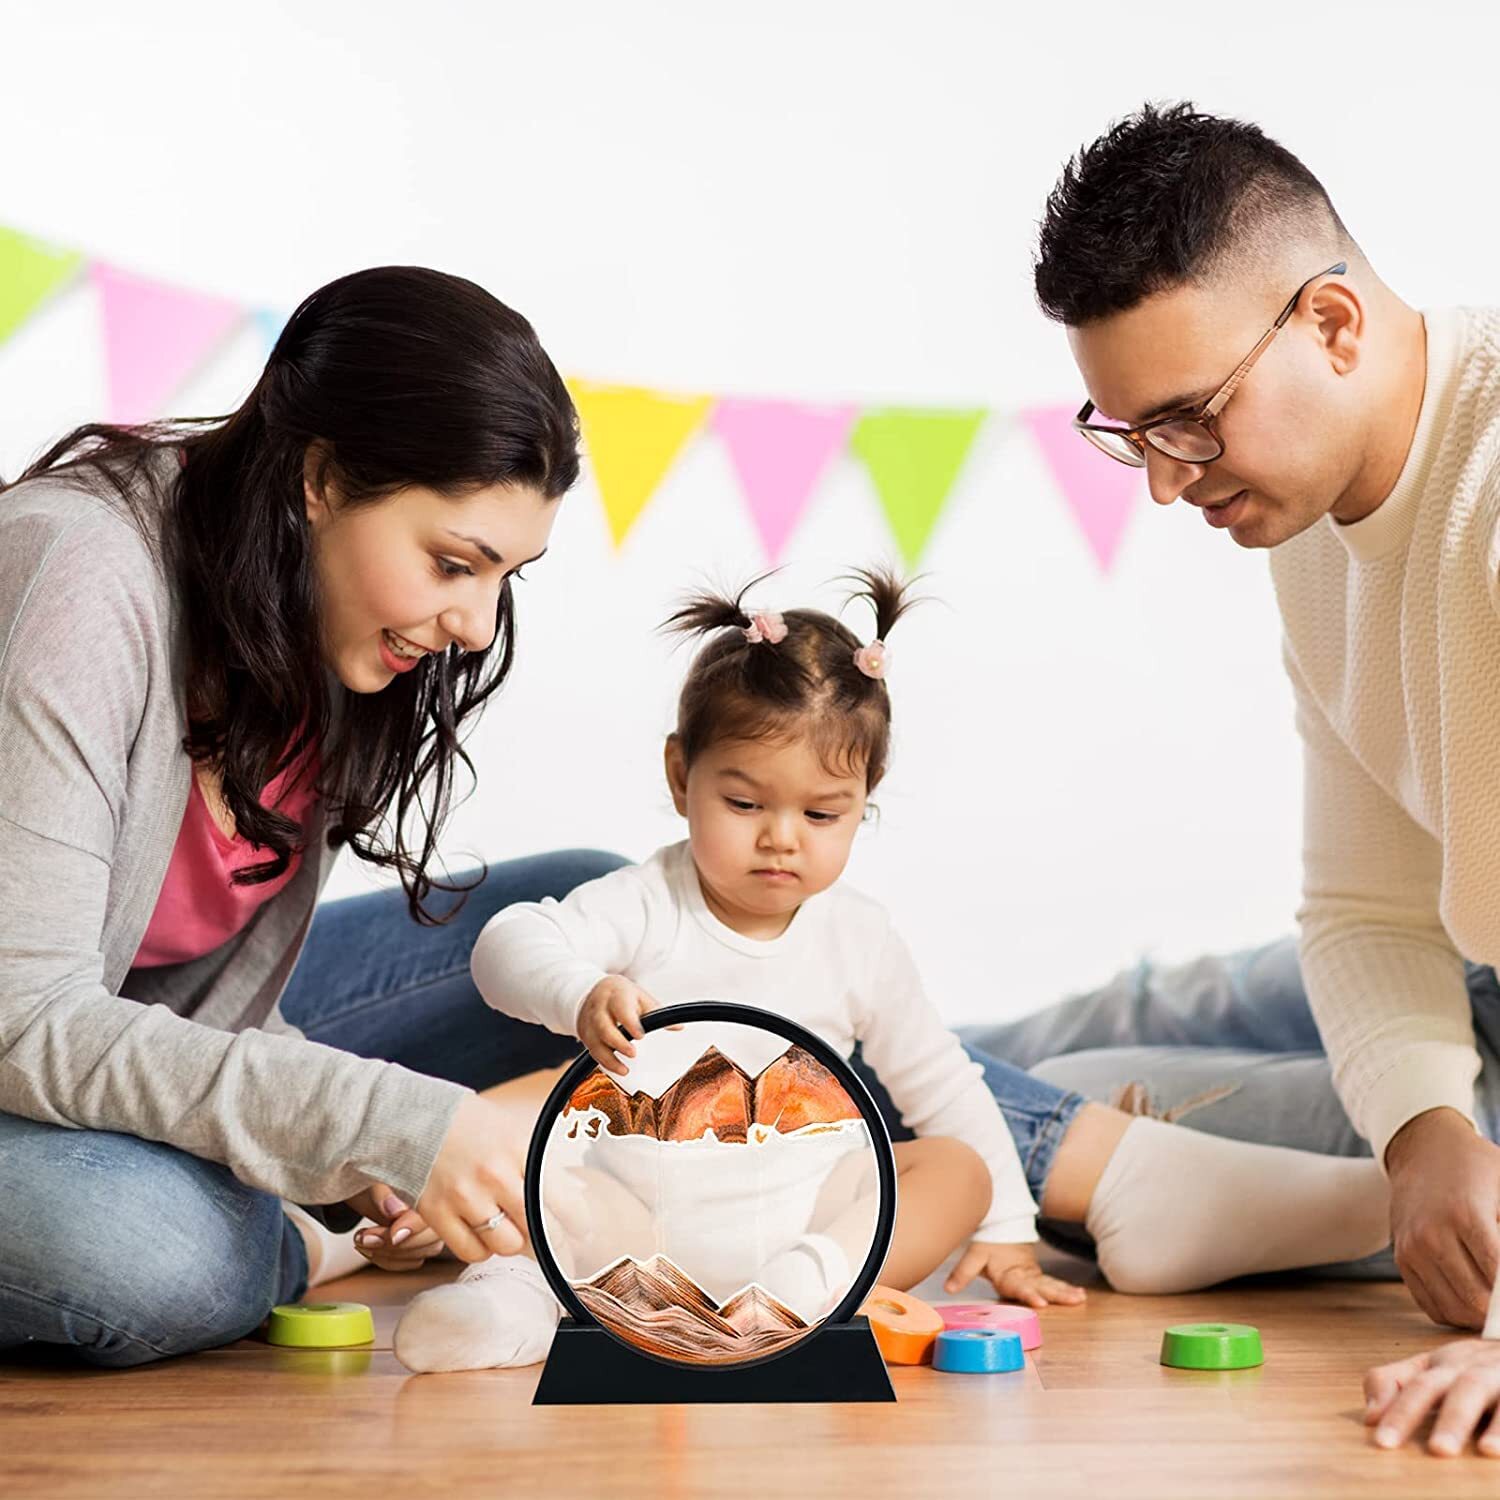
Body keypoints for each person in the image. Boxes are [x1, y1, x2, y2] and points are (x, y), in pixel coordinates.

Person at [385, 572, 1393, 1373]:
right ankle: (513, 1308)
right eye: (745, 805)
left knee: (944, 1169)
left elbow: (944, 1087)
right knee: (540, 1164)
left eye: (822, 814)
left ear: (863, 801)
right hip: (638, 1206)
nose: (782, 840)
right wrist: (578, 990)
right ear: (676, 774)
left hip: (795, 1212)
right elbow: (505, 944)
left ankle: (804, 1290)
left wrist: (1002, 1228)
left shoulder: (859, 937)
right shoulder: (645, 901)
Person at [0, 264, 624, 1368]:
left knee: (598, 909)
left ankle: (992, 1066)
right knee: (141, 1252)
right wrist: (373, 1133)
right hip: (22, 1040)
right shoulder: (81, 578)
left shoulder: (325, 624)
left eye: (505, 577)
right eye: (453, 563)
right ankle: (302, 1242)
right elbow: (25, 1018)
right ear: (323, 478)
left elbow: (225, 1010)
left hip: (119, 1039)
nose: (477, 625)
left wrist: (377, 1144)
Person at [978, 100, 1500, 1331]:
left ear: (1331, 323)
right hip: (1466, 950)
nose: (1166, 480)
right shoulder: (1313, 534)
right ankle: (765, 1025)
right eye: (1135, 434)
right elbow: (1365, 908)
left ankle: (769, 1101)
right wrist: (1422, 1126)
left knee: (1052, 1110)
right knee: (1122, 1014)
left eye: (1191, 418)